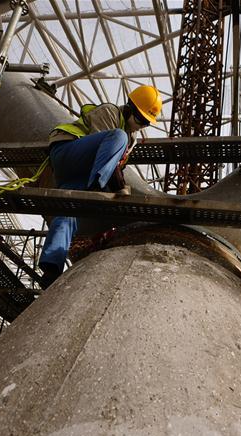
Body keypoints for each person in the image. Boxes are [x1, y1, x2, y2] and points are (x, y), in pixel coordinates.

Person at [38, 85, 162, 287]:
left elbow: (114, 165)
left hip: (80, 178)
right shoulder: (110, 113)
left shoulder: (131, 139)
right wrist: (119, 189)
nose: (141, 126)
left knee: (68, 211)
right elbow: (103, 152)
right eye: (140, 120)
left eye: (146, 123)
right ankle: (97, 187)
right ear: (130, 108)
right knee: (118, 137)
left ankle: (51, 268)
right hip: (68, 154)